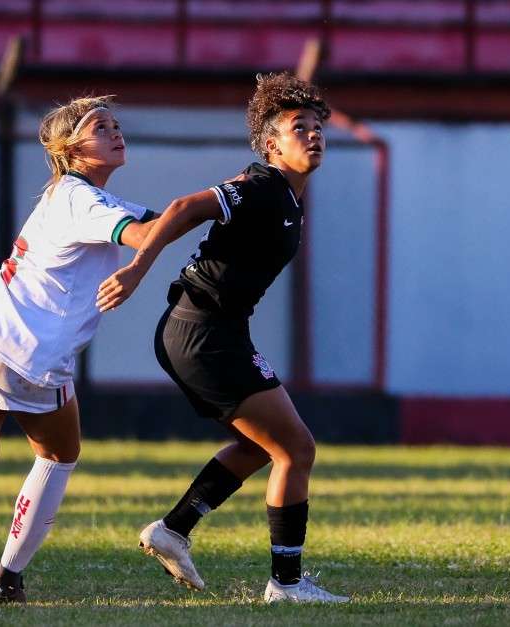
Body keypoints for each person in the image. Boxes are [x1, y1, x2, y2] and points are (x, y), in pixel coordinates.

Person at [96, 72, 349, 604]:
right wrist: (138, 269)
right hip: (202, 331)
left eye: (317, 126)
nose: (313, 134)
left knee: (266, 446)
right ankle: (285, 584)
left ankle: (174, 529)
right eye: (298, 127)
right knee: (296, 449)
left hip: (210, 330)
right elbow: (186, 207)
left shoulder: (285, 196)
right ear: (272, 143)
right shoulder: (261, 188)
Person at [0, 95, 159, 605]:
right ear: (70, 148)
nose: (115, 131)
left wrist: (221, 203)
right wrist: (224, 201)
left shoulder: (79, 198)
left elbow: (163, 221)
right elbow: (150, 233)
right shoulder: (82, 200)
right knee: (61, 453)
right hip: (29, 352)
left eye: (116, 123)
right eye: (99, 126)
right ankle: (7, 579)